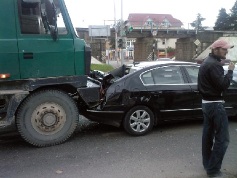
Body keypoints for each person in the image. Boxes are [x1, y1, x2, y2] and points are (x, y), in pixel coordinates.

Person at [198, 39, 235, 177]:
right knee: (223, 139)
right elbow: (223, 85)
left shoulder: (207, 62)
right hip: (215, 105)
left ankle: (208, 164)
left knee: (207, 136)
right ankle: (213, 170)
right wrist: (230, 72)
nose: (227, 51)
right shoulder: (214, 65)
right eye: (225, 49)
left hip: (206, 104)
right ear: (216, 49)